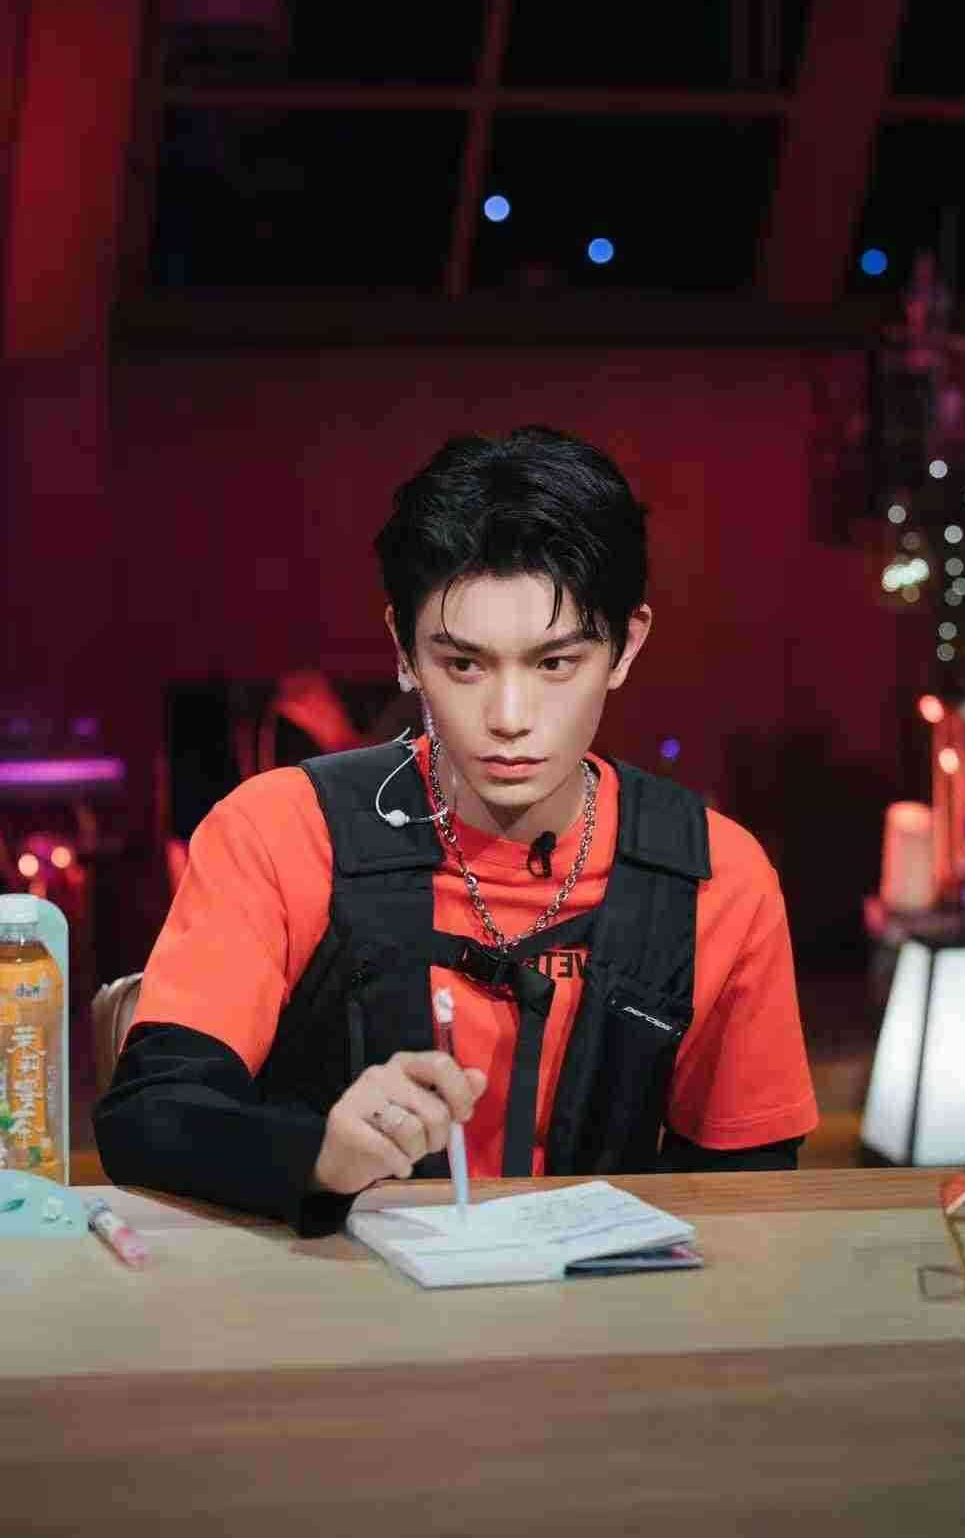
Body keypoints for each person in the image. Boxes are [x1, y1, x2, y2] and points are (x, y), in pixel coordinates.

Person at [94, 427, 818, 1235]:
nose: (508, 717)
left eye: (555, 664)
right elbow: (149, 1118)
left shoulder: (717, 873)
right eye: (463, 664)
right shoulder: (281, 830)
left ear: (626, 646)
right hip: (328, 1295)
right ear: (404, 650)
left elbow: (749, 1188)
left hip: (609, 1303)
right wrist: (319, 1154)